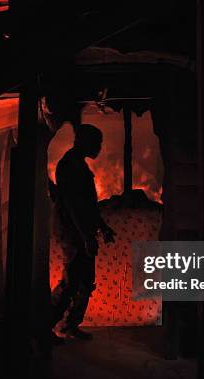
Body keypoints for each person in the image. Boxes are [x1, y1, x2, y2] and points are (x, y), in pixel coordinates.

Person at [50, 124, 116, 341]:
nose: (99, 147)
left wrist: (102, 227)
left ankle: (69, 325)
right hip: (73, 232)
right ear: (84, 142)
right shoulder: (70, 166)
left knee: (85, 280)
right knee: (72, 282)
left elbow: (87, 205)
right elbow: (72, 206)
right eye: (96, 142)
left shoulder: (78, 165)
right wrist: (86, 236)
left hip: (81, 231)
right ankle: (46, 326)